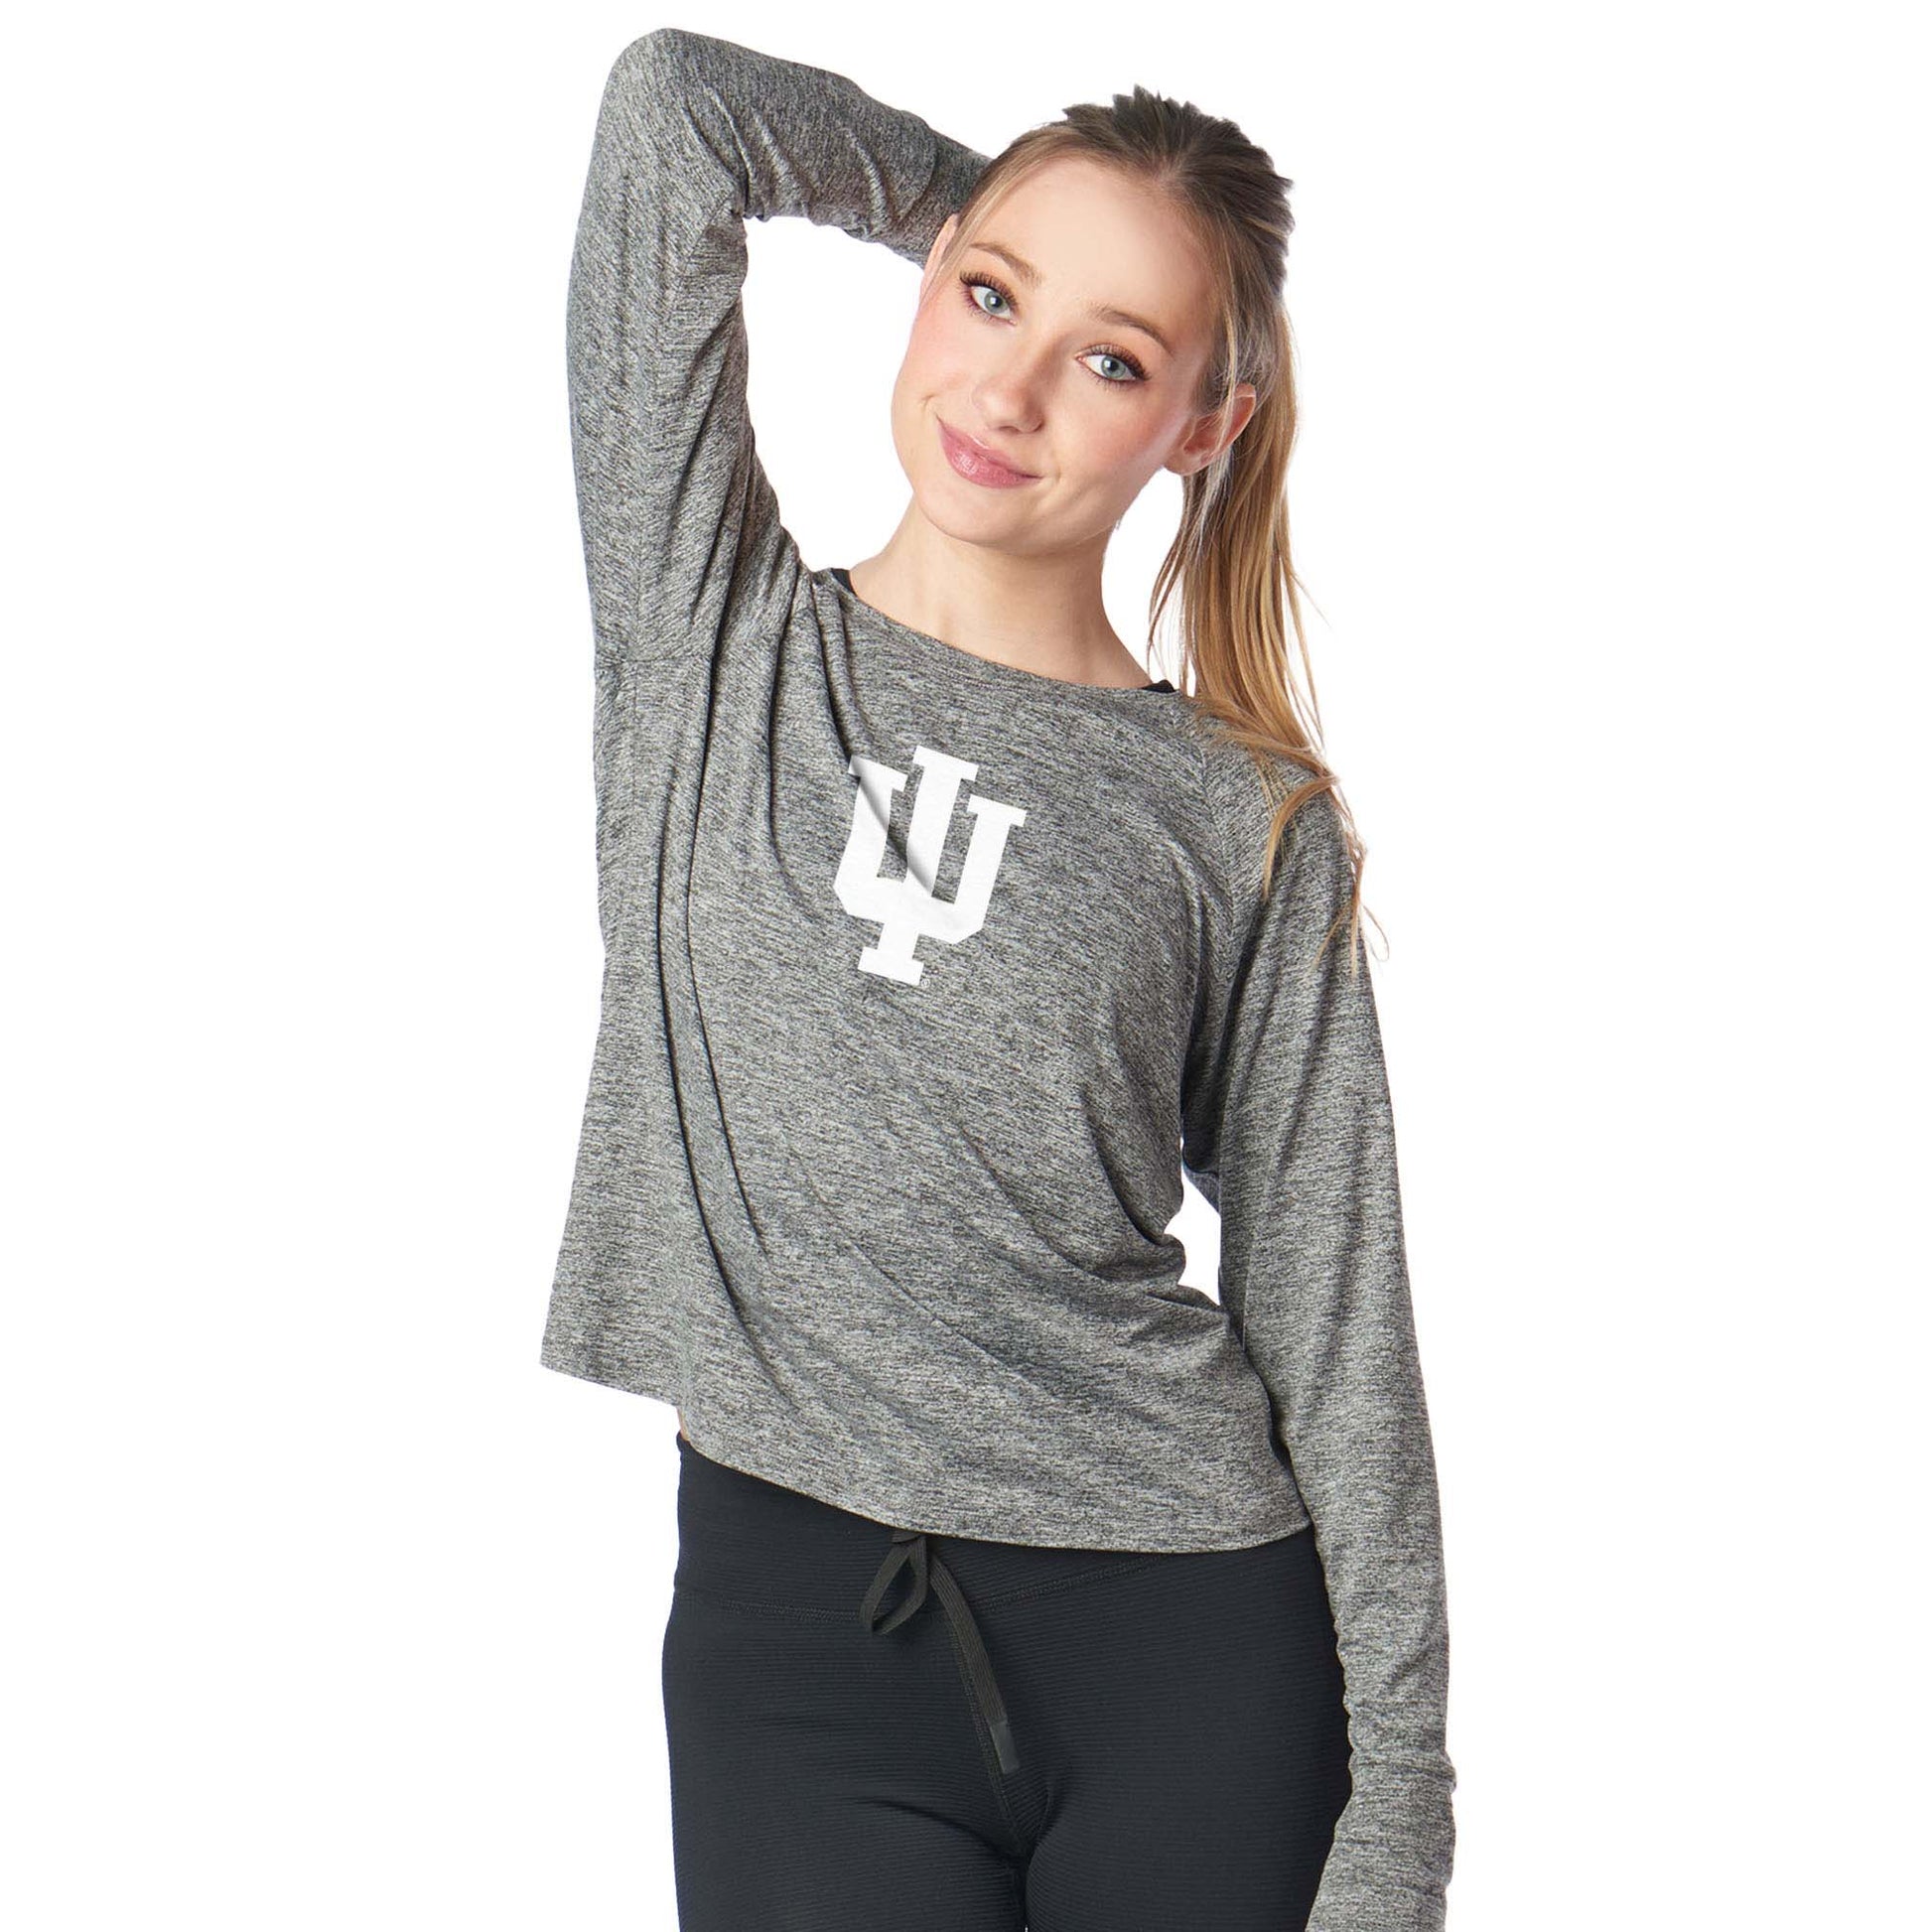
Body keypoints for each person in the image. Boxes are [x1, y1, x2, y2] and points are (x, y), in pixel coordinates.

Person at [540, 26, 1455, 1932]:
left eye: (1112, 360)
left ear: (1197, 424)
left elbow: (1333, 1305)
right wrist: (999, 205)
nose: (1011, 388)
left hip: (1188, 1643)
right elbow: (673, 107)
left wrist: (1399, 1818)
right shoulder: (710, 639)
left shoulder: (1242, 817)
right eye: (989, 297)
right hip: (797, 1651)